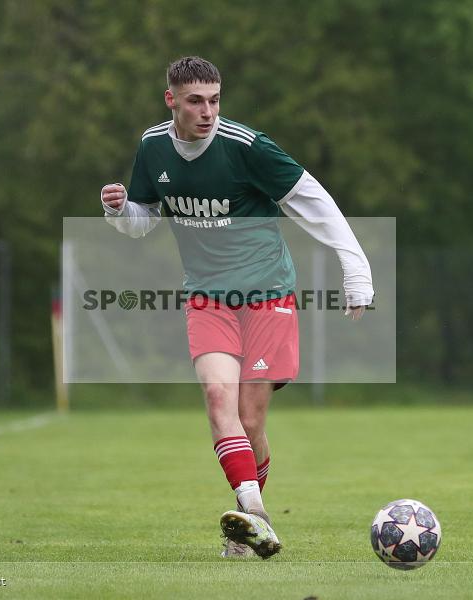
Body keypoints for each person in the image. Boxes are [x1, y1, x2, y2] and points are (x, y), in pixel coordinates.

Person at [100, 57, 373, 559]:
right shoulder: (152, 146)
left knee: (250, 421)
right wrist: (120, 211)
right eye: (196, 101)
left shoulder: (247, 148)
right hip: (207, 297)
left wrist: (355, 266)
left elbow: (312, 199)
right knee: (216, 397)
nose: (208, 112)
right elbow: (143, 221)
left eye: (215, 100)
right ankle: (255, 515)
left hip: (268, 296)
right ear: (171, 100)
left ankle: (248, 517)